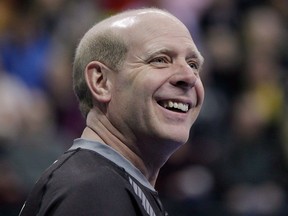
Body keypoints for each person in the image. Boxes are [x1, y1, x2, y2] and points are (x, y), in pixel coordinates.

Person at [19, 7, 204, 216]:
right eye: (160, 59)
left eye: (193, 64)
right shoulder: (92, 191)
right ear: (101, 81)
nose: (189, 76)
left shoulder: (107, 184)